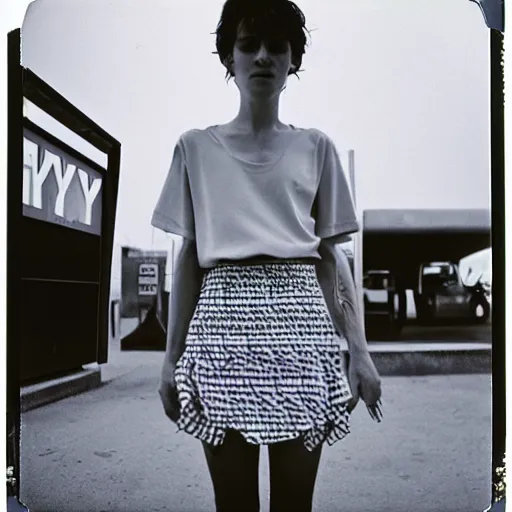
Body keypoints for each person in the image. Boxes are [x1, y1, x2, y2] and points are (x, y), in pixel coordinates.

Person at [151, 1, 382, 510]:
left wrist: (360, 353)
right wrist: (170, 360)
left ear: (292, 60)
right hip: (221, 328)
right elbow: (188, 257)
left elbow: (331, 257)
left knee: (295, 502)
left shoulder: (316, 147)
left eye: (277, 46)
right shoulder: (195, 148)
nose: (262, 57)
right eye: (248, 44)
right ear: (227, 56)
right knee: (233, 501)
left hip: (301, 329)